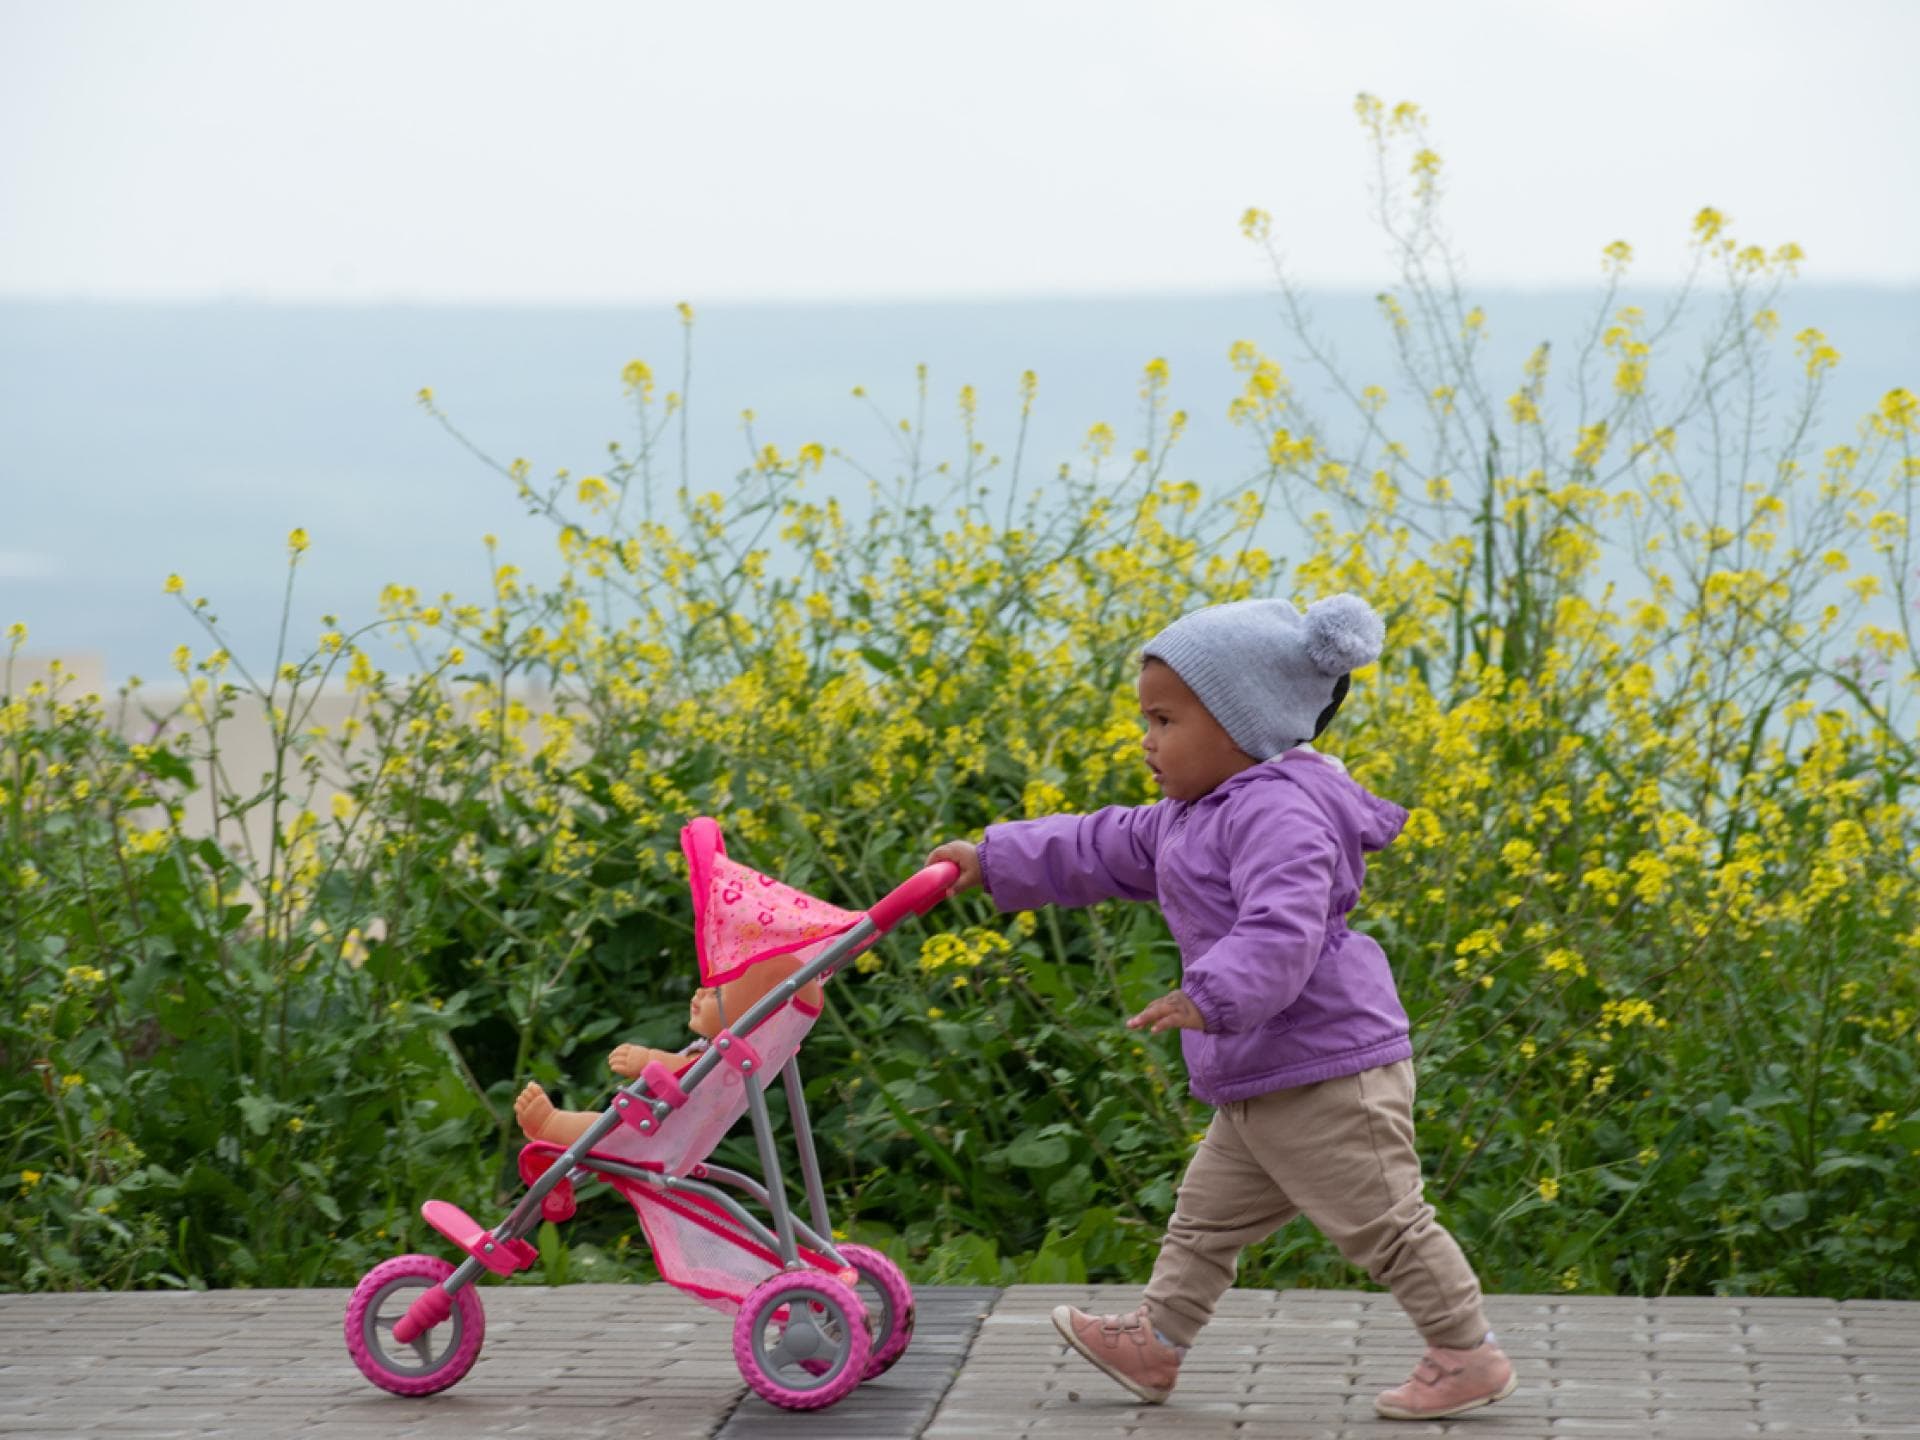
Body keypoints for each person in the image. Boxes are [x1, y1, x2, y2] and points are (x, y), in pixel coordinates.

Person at [926, 594, 1515, 1422]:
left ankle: (1466, 1353)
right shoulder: (1189, 815)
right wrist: (992, 859)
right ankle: (1155, 1346)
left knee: (1384, 1223)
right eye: (1146, 718)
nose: (1147, 739)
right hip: (1260, 1071)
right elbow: (1097, 844)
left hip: (1326, 1069)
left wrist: (1210, 994)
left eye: (1165, 719)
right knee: (1202, 1224)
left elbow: (1287, 924)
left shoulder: (1283, 812)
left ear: (1244, 723)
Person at [513, 962, 823, 1146]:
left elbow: (690, 1075)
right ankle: (552, 1126)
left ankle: (549, 1124)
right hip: (662, 1129)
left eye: (717, 992)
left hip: (655, 1135)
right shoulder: (722, 1055)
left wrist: (648, 1059)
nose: (700, 993)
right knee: (604, 1125)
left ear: (749, 1019)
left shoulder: (726, 1062)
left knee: (606, 1131)